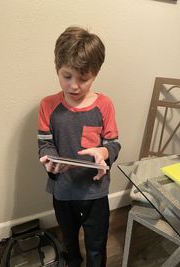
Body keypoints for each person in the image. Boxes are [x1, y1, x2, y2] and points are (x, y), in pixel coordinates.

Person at [37, 26, 121, 267]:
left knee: (97, 247)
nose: (74, 86)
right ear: (57, 69)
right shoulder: (48, 105)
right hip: (62, 192)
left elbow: (113, 144)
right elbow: (45, 145)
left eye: (83, 79)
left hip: (95, 193)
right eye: (67, 76)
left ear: (95, 74)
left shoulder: (104, 105)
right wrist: (50, 161)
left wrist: (104, 151)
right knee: (70, 243)